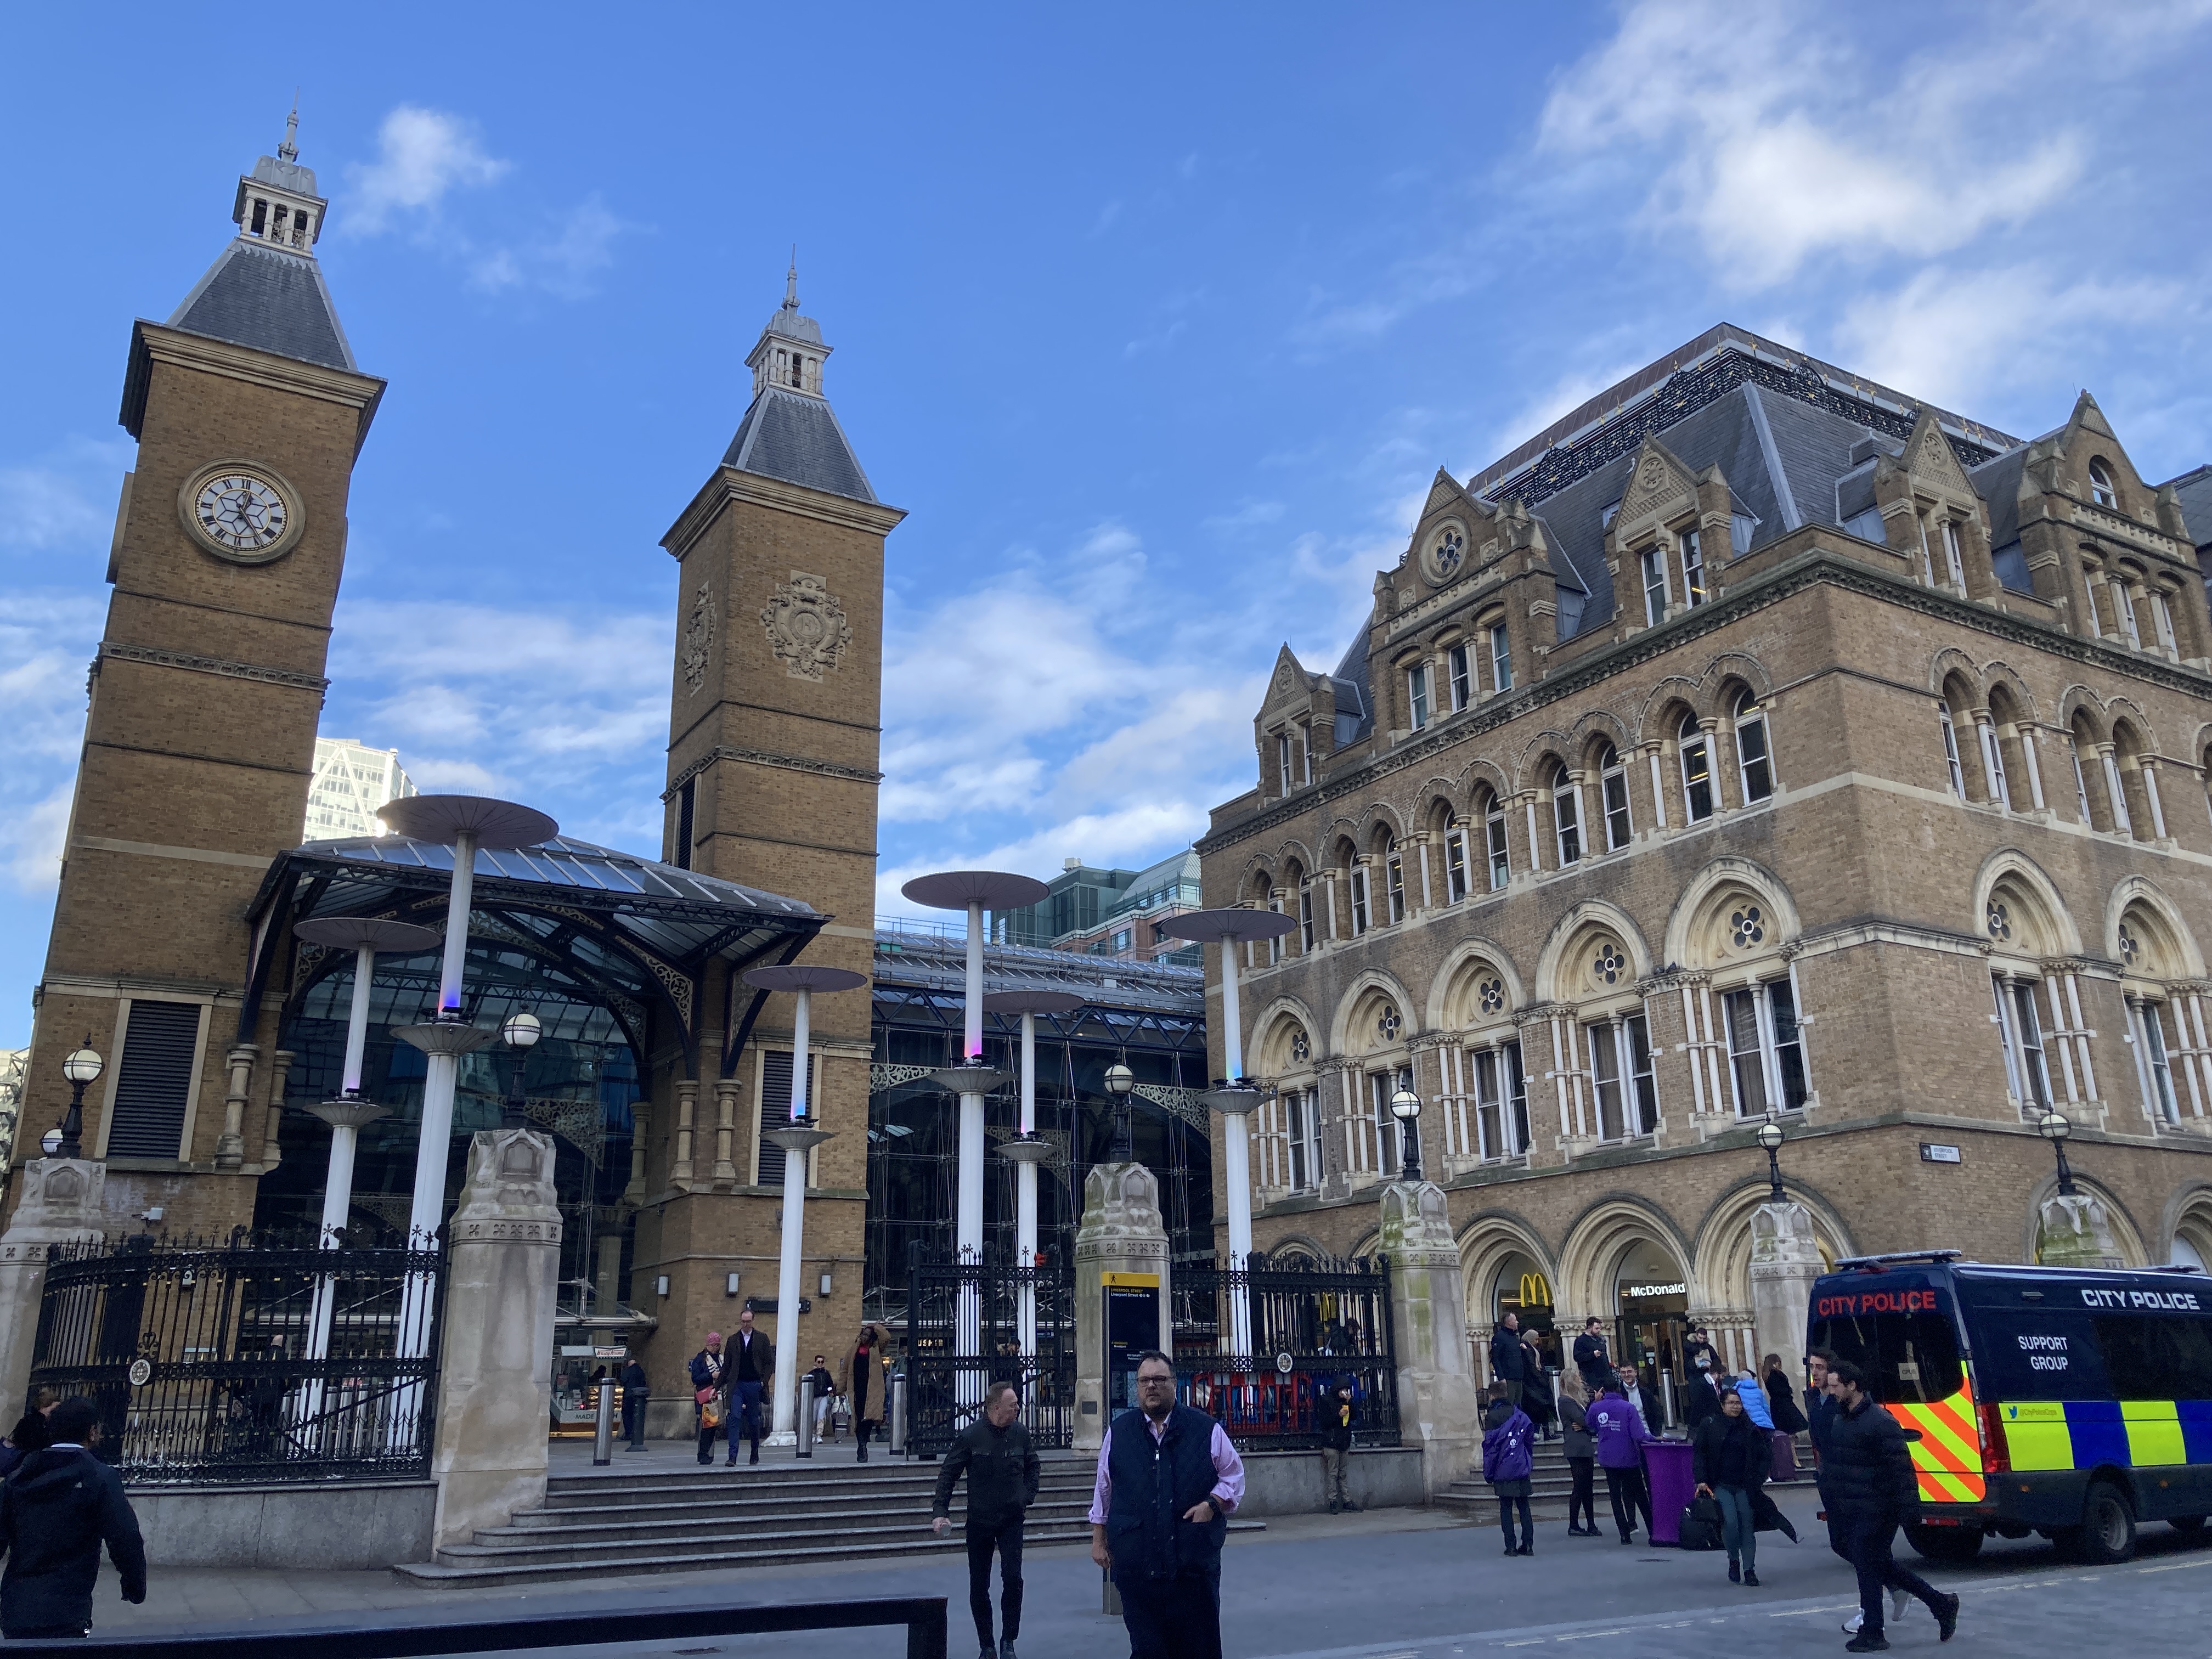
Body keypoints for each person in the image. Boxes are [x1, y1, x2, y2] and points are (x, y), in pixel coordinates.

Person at [1089, 1350, 1245, 1659]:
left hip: (1192, 1566)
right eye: (1145, 1380)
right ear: (1137, 1387)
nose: (1151, 1387)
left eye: (1159, 1380)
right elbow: (1103, 1488)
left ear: (1174, 1384)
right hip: (1138, 1566)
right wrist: (1098, 1538)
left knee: (1198, 1648)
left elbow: (1234, 1476)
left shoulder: (1206, 1429)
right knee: (1148, 1649)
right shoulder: (1119, 1433)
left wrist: (1211, 1505)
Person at [1824, 1359, 1959, 1651]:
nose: (1830, 1390)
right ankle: (1941, 1603)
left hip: (1879, 1508)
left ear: (1852, 1385)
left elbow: (1902, 1470)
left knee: (1865, 1560)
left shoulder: (1881, 1422)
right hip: (1854, 1508)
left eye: (1835, 1385)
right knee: (1878, 1563)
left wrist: (1909, 1511)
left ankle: (1873, 1630)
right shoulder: (1841, 1418)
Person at [0, 1397, 146, 1639]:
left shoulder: (19, 1476)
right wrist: (134, 1586)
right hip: (68, 1609)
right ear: (91, 1433)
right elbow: (125, 1536)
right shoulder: (99, 1476)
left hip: (17, 1608)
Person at [932, 1380, 1041, 1659]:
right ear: (996, 1408)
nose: (1018, 1408)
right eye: (1013, 1404)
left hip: (1011, 1520)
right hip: (980, 1520)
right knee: (980, 1585)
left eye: (1017, 1404)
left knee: (1013, 1580)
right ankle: (987, 1644)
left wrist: (1026, 1496)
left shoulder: (1021, 1434)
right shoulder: (971, 1437)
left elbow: (1034, 1465)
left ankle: (1009, 1641)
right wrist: (940, 1512)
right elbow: (949, 1474)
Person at [1692, 1384, 1768, 1585]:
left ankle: (1749, 1569)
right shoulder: (1710, 1425)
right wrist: (1701, 1479)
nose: (1736, 1407)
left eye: (1738, 1403)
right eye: (1731, 1403)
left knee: (1747, 1526)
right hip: (1721, 1484)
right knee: (1731, 1523)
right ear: (1722, 1405)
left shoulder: (1749, 1427)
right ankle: (1733, 1559)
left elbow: (1763, 1455)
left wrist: (1759, 1478)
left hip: (1744, 1484)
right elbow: (1700, 1453)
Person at [1589, 1378, 1655, 1544]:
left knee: (1615, 1495)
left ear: (1603, 1392)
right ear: (1619, 1390)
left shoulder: (1597, 1408)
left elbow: (1589, 1424)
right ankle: (1653, 1530)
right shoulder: (1628, 1408)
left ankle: (1624, 1534)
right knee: (1640, 1495)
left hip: (1608, 1457)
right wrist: (1653, 1439)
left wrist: (1595, 1402)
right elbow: (1638, 1435)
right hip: (1628, 1456)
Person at [1481, 1381, 1536, 1556]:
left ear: (1492, 1396)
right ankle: (1528, 1544)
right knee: (1524, 1506)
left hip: (1502, 1469)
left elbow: (1490, 1449)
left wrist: (1488, 1473)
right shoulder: (1521, 1416)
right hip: (1520, 1466)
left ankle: (1510, 1546)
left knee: (1506, 1507)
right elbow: (1529, 1442)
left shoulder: (1492, 1417)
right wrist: (1527, 1461)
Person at [726, 1306, 772, 1466]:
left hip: (754, 1384)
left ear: (753, 1321)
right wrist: (716, 1387)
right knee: (734, 1417)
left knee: (754, 1421)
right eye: (743, 1322)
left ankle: (754, 1452)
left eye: (748, 1321)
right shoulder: (732, 1340)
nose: (745, 1324)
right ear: (740, 1321)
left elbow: (769, 1363)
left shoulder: (762, 1338)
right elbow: (727, 1366)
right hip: (737, 1384)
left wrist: (762, 1382)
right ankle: (732, 1456)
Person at [1558, 1372, 1599, 1537]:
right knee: (1580, 1486)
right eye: (1577, 1379)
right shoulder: (1566, 1401)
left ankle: (1591, 1524)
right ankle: (1573, 1524)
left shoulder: (1577, 1401)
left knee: (1588, 1487)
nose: (1581, 1381)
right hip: (1576, 1448)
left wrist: (1586, 1425)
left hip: (1584, 1446)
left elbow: (1586, 1422)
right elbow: (1585, 1420)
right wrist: (1595, 1406)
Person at [689, 1331, 727, 1465]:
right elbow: (695, 1378)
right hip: (707, 1397)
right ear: (708, 1345)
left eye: (718, 1345)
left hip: (718, 1397)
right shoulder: (701, 1359)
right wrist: (712, 1376)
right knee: (708, 1427)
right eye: (714, 1345)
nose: (716, 1348)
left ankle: (705, 1454)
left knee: (713, 1427)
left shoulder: (722, 1358)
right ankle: (704, 1454)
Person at [1319, 1381, 1357, 1515]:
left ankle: (1347, 1501)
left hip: (1344, 1442)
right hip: (1331, 1443)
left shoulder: (1345, 1402)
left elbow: (1355, 1416)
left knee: (1343, 1474)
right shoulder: (1327, 1401)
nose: (1344, 1392)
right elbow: (1324, 1422)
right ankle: (1333, 1501)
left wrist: (1350, 1402)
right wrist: (1338, 1415)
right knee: (1333, 1473)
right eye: (1343, 1390)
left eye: (1346, 1390)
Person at [844, 1325, 882, 1462]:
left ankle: (864, 1442)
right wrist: (841, 1388)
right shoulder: (853, 1350)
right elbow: (845, 1370)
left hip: (872, 1390)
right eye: (863, 1334)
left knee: (869, 1419)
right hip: (857, 1389)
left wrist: (873, 1326)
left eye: (867, 1335)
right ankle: (862, 1446)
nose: (864, 1337)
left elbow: (886, 1336)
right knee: (859, 1418)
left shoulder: (877, 1349)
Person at [0, 1393, 57, 1481]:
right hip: (23, 1463)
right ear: (43, 1407)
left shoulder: (29, 1420)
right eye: (54, 1409)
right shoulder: (38, 1423)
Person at [1520, 1330, 1556, 1440]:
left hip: (1539, 1383)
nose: (1537, 1342)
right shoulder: (1525, 1349)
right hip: (1532, 1384)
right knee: (1536, 1409)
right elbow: (1531, 1365)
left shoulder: (1534, 1349)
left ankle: (1546, 1433)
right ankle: (1536, 1432)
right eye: (1535, 1339)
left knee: (1543, 1408)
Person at [1763, 1352, 1809, 1437]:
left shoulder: (1768, 1375)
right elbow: (1781, 1389)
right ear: (1776, 1363)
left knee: (1785, 1430)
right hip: (1784, 1405)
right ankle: (1791, 1448)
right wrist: (1789, 1390)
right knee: (1792, 1429)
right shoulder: (1775, 1374)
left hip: (1777, 1405)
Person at [1488, 1311, 1526, 1407]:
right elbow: (1495, 1358)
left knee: (1518, 1406)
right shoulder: (1500, 1337)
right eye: (1515, 1320)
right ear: (1509, 1322)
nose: (1517, 1322)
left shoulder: (1515, 1337)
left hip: (1519, 1378)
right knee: (1509, 1406)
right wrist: (1502, 1378)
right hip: (1508, 1379)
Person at [1572, 1317, 1612, 1396]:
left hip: (1605, 1375)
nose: (1599, 1330)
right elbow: (1577, 1357)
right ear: (1590, 1328)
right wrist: (1592, 1355)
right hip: (1591, 1377)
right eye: (1597, 1328)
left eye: (1600, 1328)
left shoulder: (1600, 1339)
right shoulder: (1581, 1340)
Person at [620, 1355, 650, 1452]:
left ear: (629, 1363)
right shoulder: (641, 1371)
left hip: (629, 1395)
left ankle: (629, 1434)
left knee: (627, 1414)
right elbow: (644, 1382)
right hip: (639, 1398)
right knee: (636, 1416)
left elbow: (622, 1381)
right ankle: (636, 1435)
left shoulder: (628, 1371)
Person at [806, 1355, 838, 1443]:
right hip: (815, 1396)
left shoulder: (826, 1373)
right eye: (819, 1362)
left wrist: (831, 1391)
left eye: (822, 1362)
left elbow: (830, 1384)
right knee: (813, 1415)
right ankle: (812, 1434)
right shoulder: (812, 1373)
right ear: (815, 1362)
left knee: (821, 1414)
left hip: (824, 1396)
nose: (820, 1364)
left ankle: (819, 1434)